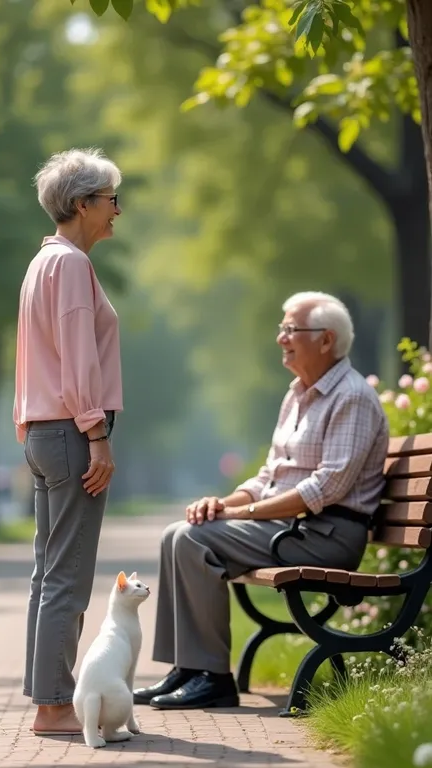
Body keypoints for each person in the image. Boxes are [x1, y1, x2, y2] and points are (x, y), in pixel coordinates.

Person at [134, 291, 389, 711]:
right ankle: (189, 668)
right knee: (176, 533)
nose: (281, 338)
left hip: (327, 534)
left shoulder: (352, 397)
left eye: (291, 329)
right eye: (281, 328)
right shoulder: (296, 395)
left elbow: (325, 489)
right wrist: (222, 503)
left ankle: (214, 678)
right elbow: (269, 475)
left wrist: (238, 514)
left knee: (193, 540)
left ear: (326, 340)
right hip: (294, 528)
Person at [13, 148, 123, 735]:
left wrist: (26, 424)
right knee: (68, 574)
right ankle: (55, 704)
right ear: (83, 204)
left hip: (42, 430)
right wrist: (97, 434)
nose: (117, 212)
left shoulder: (41, 262)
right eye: (110, 201)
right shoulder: (73, 266)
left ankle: (48, 699)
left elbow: (32, 353)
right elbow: (78, 361)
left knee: (47, 572)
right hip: (72, 431)